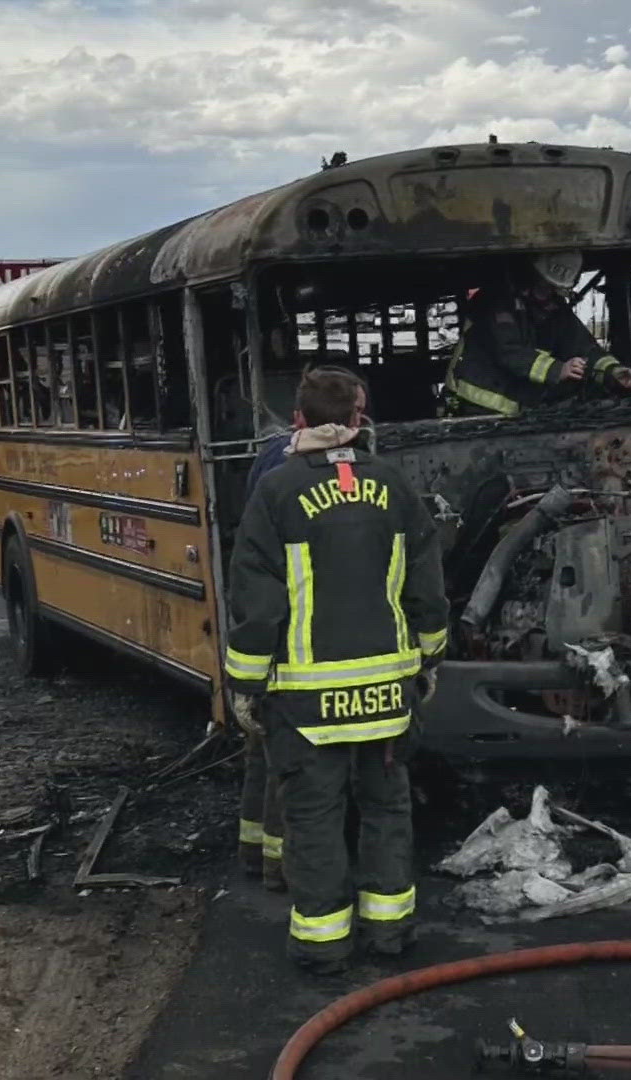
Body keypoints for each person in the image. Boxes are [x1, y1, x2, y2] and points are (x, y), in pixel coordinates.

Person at [223, 368, 448, 974]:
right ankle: (390, 933)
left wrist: (244, 686)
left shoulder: (275, 493)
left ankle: (323, 947)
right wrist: (429, 658)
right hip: (386, 693)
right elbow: (427, 589)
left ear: (296, 420)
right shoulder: (396, 486)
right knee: (386, 810)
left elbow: (259, 605)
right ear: (360, 415)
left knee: (314, 818)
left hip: (306, 701)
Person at [233, 368, 369, 895]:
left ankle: (255, 852)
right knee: (294, 762)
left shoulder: (272, 462)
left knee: (263, 750)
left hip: (275, 631)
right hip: (298, 635)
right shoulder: (299, 472)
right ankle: (281, 864)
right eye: (360, 413)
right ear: (352, 417)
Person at [444, 252, 631, 417]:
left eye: (555, 290)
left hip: (518, 413)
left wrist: (613, 371)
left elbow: (583, 346)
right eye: (546, 287)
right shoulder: (496, 301)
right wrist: (557, 370)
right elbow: (509, 351)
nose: (549, 295)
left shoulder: (554, 309)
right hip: (476, 410)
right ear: (530, 275)